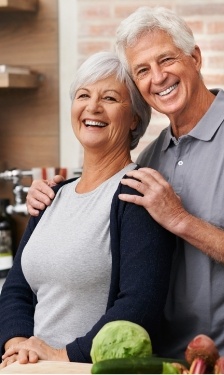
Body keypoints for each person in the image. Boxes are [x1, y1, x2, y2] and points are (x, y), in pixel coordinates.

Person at [25, 6, 224, 374]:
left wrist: (181, 220)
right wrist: (52, 195)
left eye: (166, 60)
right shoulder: (152, 157)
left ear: (195, 58)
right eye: (142, 70)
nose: (157, 78)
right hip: (165, 363)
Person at [0, 50, 175, 368]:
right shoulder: (53, 194)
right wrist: (19, 347)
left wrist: (61, 356)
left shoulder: (136, 196)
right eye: (83, 95)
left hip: (87, 368)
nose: (92, 107)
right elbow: (17, 288)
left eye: (109, 98)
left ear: (134, 117)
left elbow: (139, 306)